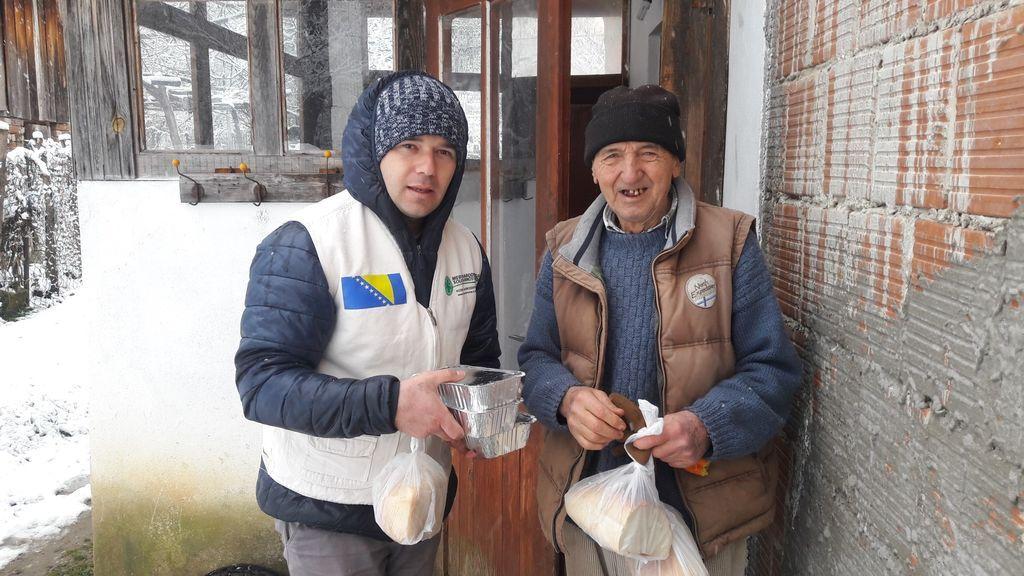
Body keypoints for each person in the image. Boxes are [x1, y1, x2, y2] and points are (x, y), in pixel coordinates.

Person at [519, 84, 802, 576]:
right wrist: (565, 400)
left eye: (648, 153)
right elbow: (536, 359)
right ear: (594, 170)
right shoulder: (564, 250)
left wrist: (706, 426)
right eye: (612, 156)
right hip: (593, 506)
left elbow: (773, 371)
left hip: (700, 512)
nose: (630, 173)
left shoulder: (730, 242)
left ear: (676, 163)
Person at [234, 71, 500, 576]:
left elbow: (478, 362)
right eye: (408, 146)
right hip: (328, 508)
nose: (427, 168)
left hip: (421, 498)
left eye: (445, 151)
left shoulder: (466, 250)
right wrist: (391, 404)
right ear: (376, 151)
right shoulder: (310, 241)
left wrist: (477, 415)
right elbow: (262, 386)